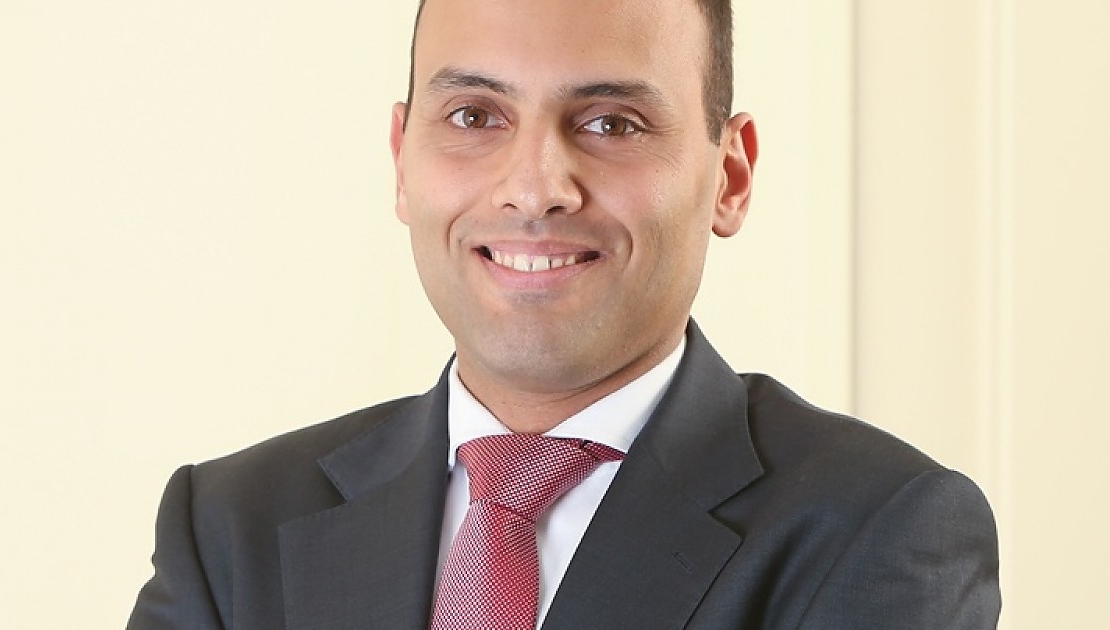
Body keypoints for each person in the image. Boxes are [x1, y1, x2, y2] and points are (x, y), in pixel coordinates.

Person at [127, 0, 1001, 627]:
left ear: (729, 178)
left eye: (612, 124)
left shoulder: (877, 530)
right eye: (475, 115)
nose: (535, 187)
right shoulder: (230, 528)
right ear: (401, 160)